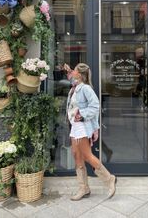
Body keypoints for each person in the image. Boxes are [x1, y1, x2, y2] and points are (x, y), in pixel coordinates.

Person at [63, 62, 117, 201]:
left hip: (82, 126)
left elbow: (95, 106)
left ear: (80, 75)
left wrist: (81, 114)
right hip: (75, 126)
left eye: (75, 70)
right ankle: (84, 188)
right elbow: (71, 78)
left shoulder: (86, 89)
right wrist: (68, 70)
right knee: (76, 156)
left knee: (87, 156)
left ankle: (109, 178)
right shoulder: (77, 86)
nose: (73, 73)